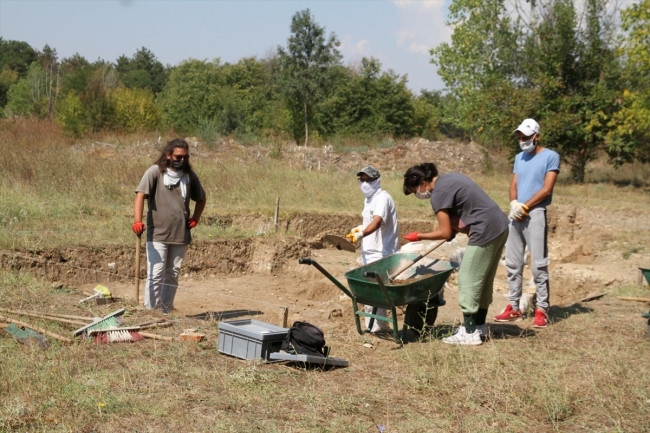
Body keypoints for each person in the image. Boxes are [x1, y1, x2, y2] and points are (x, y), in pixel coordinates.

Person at [402, 162, 509, 345]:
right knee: (483, 279)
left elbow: (444, 233)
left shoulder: (438, 194)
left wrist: (419, 236)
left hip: (484, 230)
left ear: (423, 183)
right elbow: (462, 213)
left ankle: (469, 333)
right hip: (500, 226)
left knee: (467, 278)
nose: (418, 195)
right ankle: (480, 326)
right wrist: (453, 229)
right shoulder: (449, 179)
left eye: (415, 191)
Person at [494, 118, 560, 328]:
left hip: (535, 213)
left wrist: (526, 206)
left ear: (536, 136)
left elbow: (546, 189)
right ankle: (513, 305)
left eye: (526, 137)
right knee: (513, 263)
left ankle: (542, 308)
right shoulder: (519, 158)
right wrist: (514, 203)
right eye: (520, 137)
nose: (522, 141)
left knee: (539, 263)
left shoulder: (551, 157)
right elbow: (514, 184)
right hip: (517, 214)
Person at [132, 138, 206, 313]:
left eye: (185, 157)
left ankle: (165, 311)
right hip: (157, 233)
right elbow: (140, 195)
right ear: (168, 155)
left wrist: (195, 218)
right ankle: (151, 311)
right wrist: (137, 220)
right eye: (178, 157)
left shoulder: (189, 176)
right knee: (156, 274)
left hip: (181, 234)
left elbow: (201, 198)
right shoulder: (155, 172)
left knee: (172, 274)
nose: (181, 160)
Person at [345, 165, 398, 333]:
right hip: (369, 251)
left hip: (382, 252)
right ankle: (375, 326)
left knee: (374, 292)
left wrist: (361, 234)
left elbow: (377, 222)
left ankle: (377, 326)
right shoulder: (369, 199)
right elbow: (369, 222)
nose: (365, 183)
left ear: (377, 181)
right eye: (362, 180)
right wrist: (359, 228)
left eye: (368, 179)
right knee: (370, 292)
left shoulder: (383, 198)